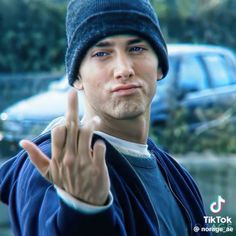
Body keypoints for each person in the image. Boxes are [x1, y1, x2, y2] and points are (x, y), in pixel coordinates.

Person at [0, 0, 211, 235]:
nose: (123, 69)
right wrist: (83, 211)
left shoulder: (176, 175)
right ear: (77, 77)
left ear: (160, 66)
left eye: (136, 49)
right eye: (101, 53)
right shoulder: (58, 165)